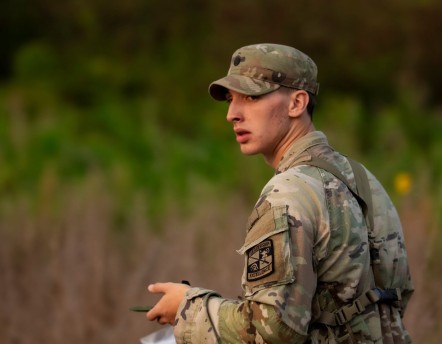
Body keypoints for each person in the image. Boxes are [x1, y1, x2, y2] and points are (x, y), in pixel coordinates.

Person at [145, 43, 414, 343]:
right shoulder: (363, 179)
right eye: (231, 100)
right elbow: (396, 296)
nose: (232, 114)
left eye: (251, 97)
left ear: (297, 103)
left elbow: (273, 329)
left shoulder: (288, 192)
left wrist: (187, 308)